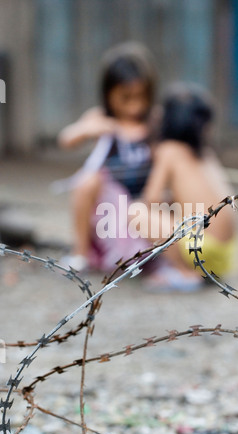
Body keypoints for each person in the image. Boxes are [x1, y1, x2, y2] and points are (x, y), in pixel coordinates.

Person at [56, 42, 158, 272]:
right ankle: (80, 253)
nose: (134, 106)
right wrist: (89, 129)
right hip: (109, 207)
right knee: (87, 180)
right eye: (125, 97)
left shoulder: (154, 122)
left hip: (145, 204)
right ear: (108, 93)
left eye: (140, 97)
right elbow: (66, 139)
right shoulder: (101, 118)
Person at [141, 83, 238, 292]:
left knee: (137, 212)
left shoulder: (169, 150)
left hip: (203, 250)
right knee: (176, 211)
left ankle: (185, 273)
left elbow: (151, 199)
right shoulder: (206, 154)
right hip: (226, 256)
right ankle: (189, 268)